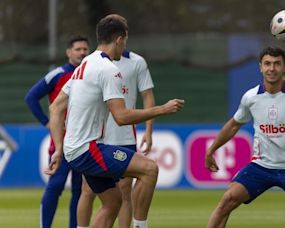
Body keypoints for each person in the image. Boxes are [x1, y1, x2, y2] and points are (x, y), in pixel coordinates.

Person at [45, 14, 184, 228]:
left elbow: (55, 108)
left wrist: (59, 148)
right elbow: (121, 117)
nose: (124, 46)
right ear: (119, 40)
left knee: (113, 202)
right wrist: (162, 109)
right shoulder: (109, 70)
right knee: (149, 169)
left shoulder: (85, 64)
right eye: (125, 41)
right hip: (88, 149)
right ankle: (140, 226)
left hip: (77, 149)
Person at [205, 46, 285, 228]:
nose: (271, 68)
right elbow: (234, 124)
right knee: (227, 200)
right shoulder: (251, 97)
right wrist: (211, 150)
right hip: (261, 166)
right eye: (267, 64)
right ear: (260, 67)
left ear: (284, 67)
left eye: (276, 64)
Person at [77, 49, 156, 228]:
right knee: (87, 191)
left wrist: (149, 131)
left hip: (123, 136)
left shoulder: (137, 62)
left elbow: (147, 96)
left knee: (124, 192)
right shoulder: (94, 62)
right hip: (96, 138)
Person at [25, 35, 90, 228]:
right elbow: (31, 97)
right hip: (61, 142)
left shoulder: (91, 73)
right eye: (78, 49)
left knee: (80, 190)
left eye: (85, 49)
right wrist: (46, 122)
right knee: (55, 186)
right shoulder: (58, 73)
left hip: (84, 140)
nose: (82, 52)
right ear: (68, 52)